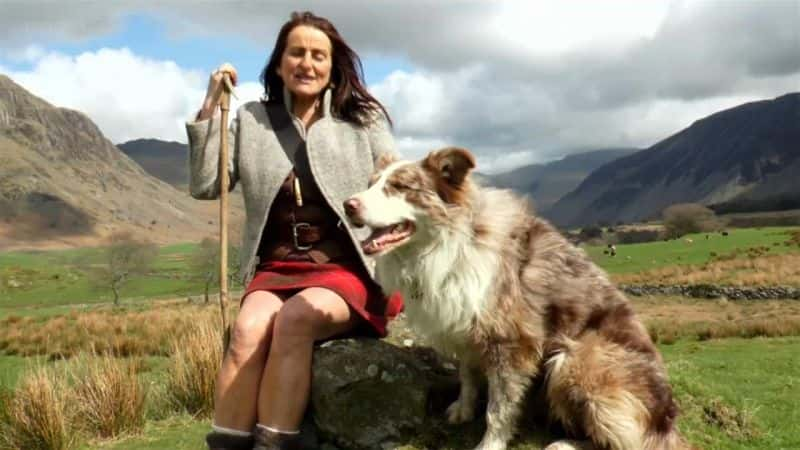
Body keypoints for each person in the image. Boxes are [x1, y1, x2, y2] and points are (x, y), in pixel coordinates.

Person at [186, 11, 402, 450]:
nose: (307, 63)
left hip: (348, 267)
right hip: (278, 265)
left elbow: (392, 188)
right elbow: (207, 184)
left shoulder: (363, 122)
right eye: (297, 52)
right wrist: (211, 107)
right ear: (280, 62)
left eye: (318, 55)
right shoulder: (250, 119)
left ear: (332, 66)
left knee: (296, 319)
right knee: (247, 330)